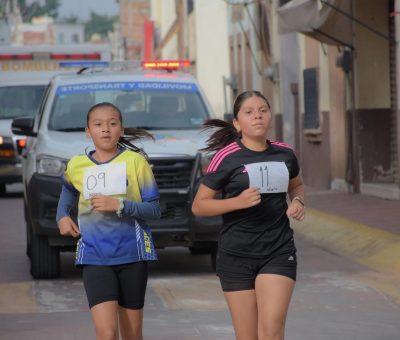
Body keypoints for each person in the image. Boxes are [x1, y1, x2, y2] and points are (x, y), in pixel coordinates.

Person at [192, 90, 305, 340]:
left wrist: (297, 201)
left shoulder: (285, 153)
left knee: (272, 331)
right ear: (237, 122)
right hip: (236, 254)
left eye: (263, 111)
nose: (257, 116)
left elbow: (296, 185)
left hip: (278, 249)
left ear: (269, 117)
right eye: (249, 112)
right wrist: (237, 202)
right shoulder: (226, 157)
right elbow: (199, 206)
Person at [56, 102, 160, 340]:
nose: (105, 129)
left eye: (112, 124)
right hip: (94, 255)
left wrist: (120, 205)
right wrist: (62, 216)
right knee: (107, 333)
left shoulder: (136, 162)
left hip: (133, 255)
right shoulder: (76, 164)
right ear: (87, 131)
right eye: (98, 124)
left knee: (132, 335)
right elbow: (68, 190)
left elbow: (154, 210)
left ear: (121, 129)